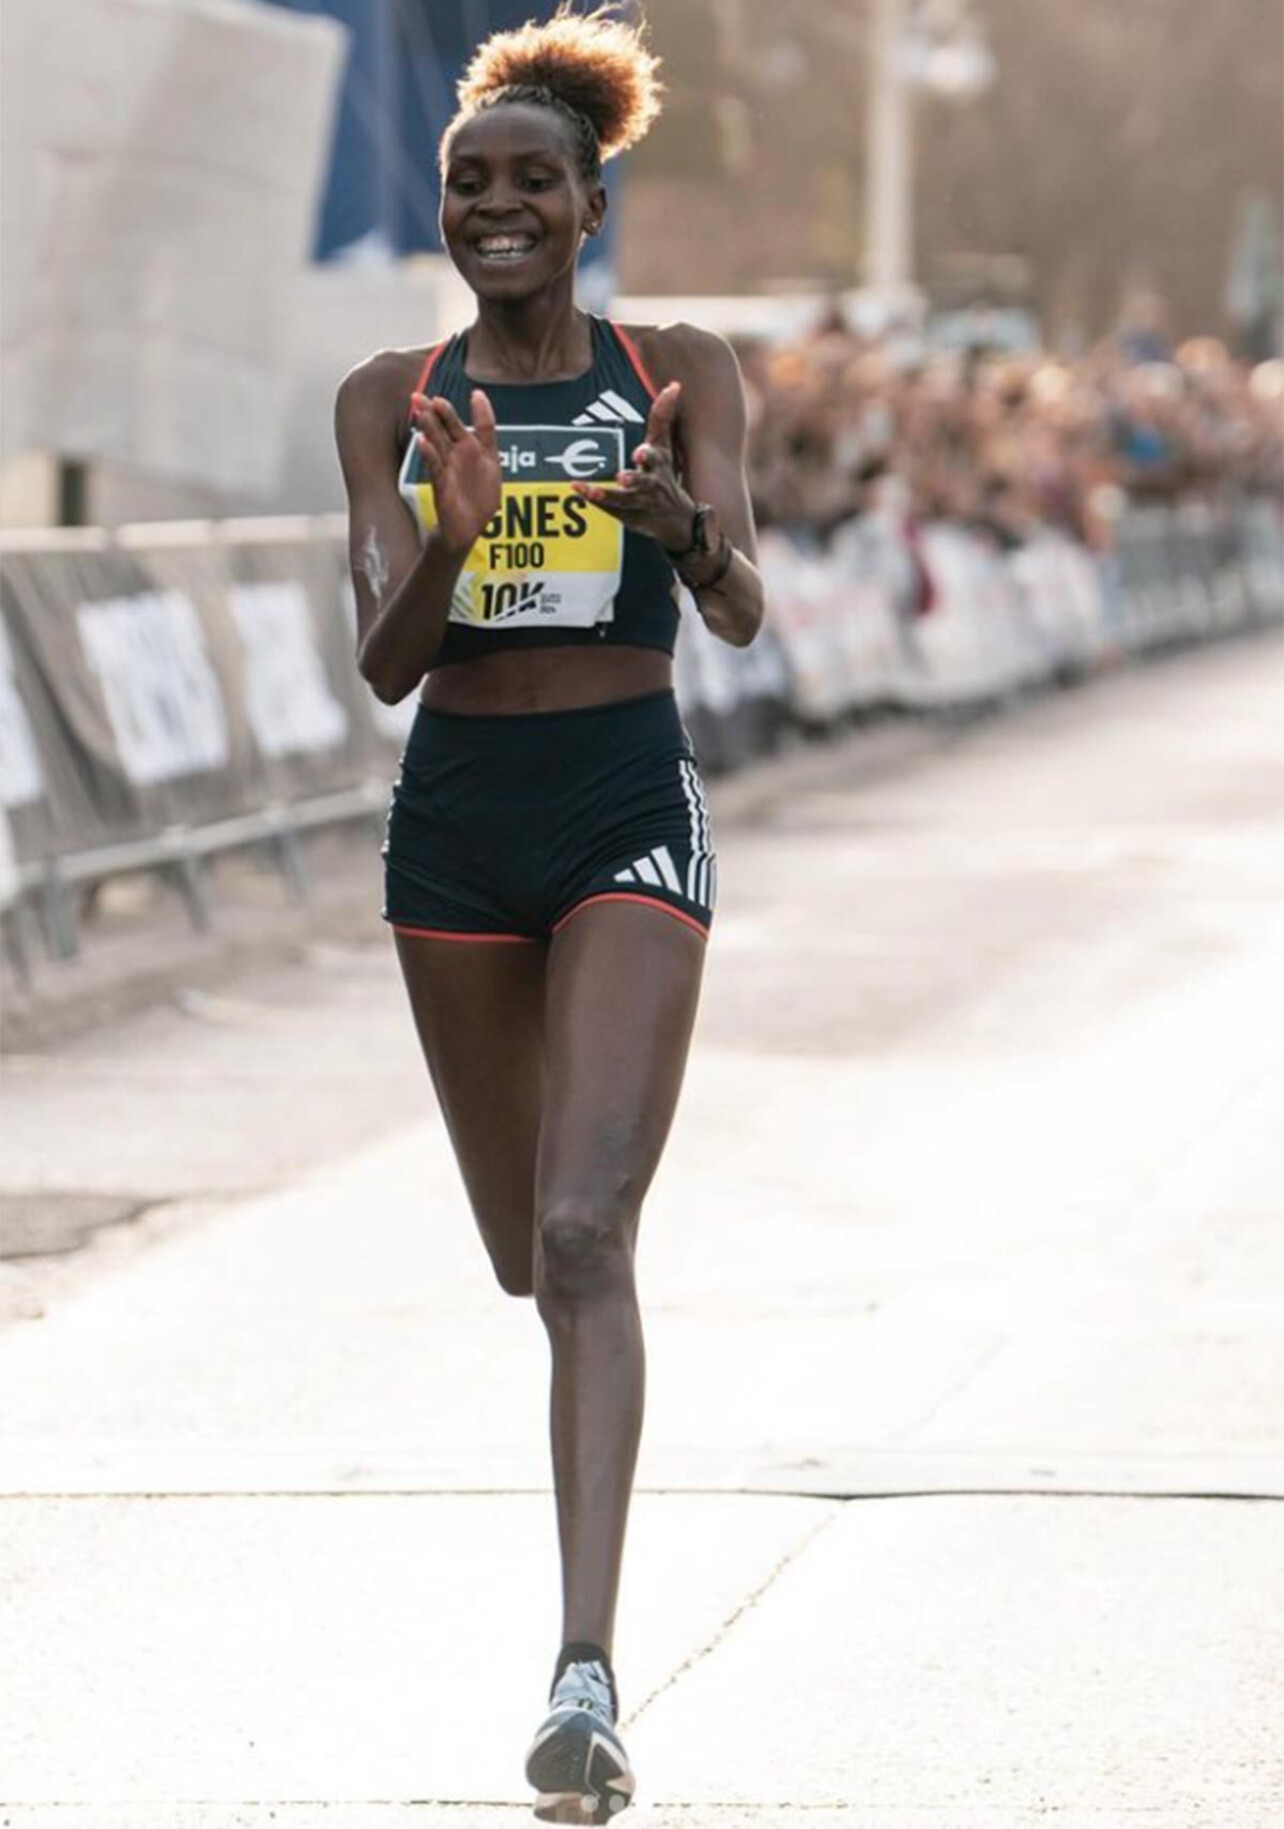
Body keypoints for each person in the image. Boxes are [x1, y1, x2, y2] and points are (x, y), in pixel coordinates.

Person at [333, 6, 763, 1821]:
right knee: (530, 1254)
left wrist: (675, 525)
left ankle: (585, 1674)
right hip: (453, 835)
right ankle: (586, 1371)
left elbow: (739, 604)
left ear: (593, 205)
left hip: (621, 808)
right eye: (469, 183)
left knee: (588, 1232)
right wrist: (451, 530)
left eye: (532, 182)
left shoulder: (678, 369)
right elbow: (384, 664)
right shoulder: (390, 396)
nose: (496, 207)